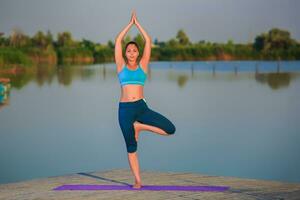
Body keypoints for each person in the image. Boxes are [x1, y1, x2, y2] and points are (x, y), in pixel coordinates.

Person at [115, 10, 176, 189]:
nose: (132, 52)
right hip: (125, 110)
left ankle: (140, 127)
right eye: (129, 50)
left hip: (141, 108)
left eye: (135, 50)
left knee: (170, 129)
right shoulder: (120, 66)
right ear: (125, 54)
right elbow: (118, 41)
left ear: (138, 53)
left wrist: (138, 24)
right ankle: (138, 180)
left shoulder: (143, 66)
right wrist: (129, 25)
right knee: (131, 147)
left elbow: (148, 40)